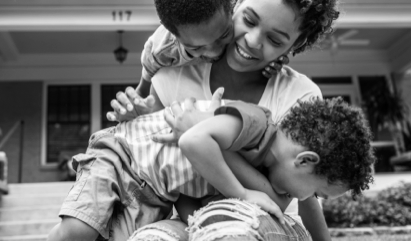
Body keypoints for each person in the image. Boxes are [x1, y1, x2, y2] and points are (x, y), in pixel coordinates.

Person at [109, 0, 341, 241]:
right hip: (186, 218)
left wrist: (200, 134)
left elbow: (280, 197)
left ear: (296, 45)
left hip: (258, 220)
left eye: (275, 40)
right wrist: (134, 111)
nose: (253, 41)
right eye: (249, 20)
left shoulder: (299, 96)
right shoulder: (175, 74)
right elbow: (153, 159)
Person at [48, 94, 375, 241]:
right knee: (78, 231)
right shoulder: (256, 123)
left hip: (156, 194)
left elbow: (191, 183)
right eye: (318, 192)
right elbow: (192, 141)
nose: (309, 199)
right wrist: (243, 192)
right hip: (122, 154)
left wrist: (194, 221)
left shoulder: (258, 170)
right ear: (305, 161)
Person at [132, 0, 285, 100]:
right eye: (197, 47)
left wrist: (274, 56)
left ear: (231, 4)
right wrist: (134, 105)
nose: (214, 52)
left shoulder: (242, 1)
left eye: (223, 35)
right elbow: (142, 92)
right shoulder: (160, 51)